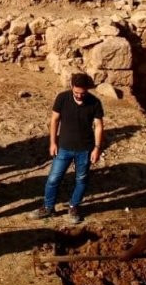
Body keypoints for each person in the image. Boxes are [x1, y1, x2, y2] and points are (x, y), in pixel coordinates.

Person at [30, 72, 104, 224]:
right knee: (53, 179)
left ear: (87, 90)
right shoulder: (62, 98)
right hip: (63, 147)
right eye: (76, 92)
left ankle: (74, 206)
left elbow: (98, 126)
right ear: (71, 87)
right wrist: (52, 142)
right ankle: (48, 207)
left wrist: (97, 148)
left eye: (82, 93)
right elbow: (54, 120)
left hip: (85, 149)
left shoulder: (95, 102)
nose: (79, 96)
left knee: (81, 180)